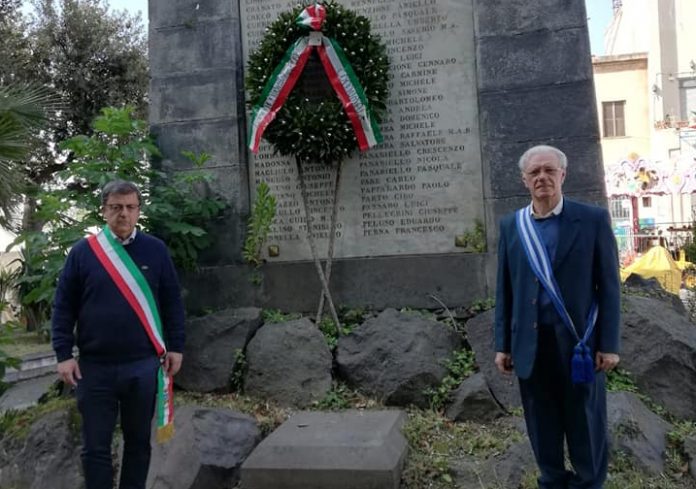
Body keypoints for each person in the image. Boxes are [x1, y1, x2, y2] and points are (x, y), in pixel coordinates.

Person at [494, 145, 621, 489]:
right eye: (534, 173)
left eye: (549, 170)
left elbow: (609, 286)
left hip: (580, 346)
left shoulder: (591, 220)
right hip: (531, 346)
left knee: (585, 423)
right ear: (524, 180)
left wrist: (609, 344)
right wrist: (502, 344)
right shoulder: (511, 226)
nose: (542, 178)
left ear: (563, 174)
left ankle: (588, 482)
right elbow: (505, 289)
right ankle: (551, 481)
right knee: (541, 422)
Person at [52, 180, 185, 489]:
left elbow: (172, 302)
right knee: (95, 448)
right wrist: (63, 355)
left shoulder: (156, 250)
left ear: (138, 210)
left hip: (142, 365)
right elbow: (63, 307)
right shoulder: (83, 253)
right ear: (104, 210)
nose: (123, 214)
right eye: (116, 207)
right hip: (94, 368)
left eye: (129, 207)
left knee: (138, 444)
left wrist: (176, 346)